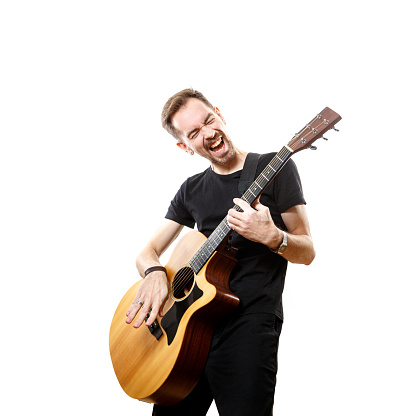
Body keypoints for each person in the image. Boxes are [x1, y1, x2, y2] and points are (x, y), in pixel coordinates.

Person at [125, 88, 316, 416]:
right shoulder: (191, 189)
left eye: (208, 120)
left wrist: (273, 237)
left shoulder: (275, 168)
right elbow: (147, 252)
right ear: (184, 146)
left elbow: (307, 250)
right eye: (194, 133)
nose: (209, 134)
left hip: (249, 327)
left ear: (219, 113)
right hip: (185, 333)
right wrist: (155, 273)